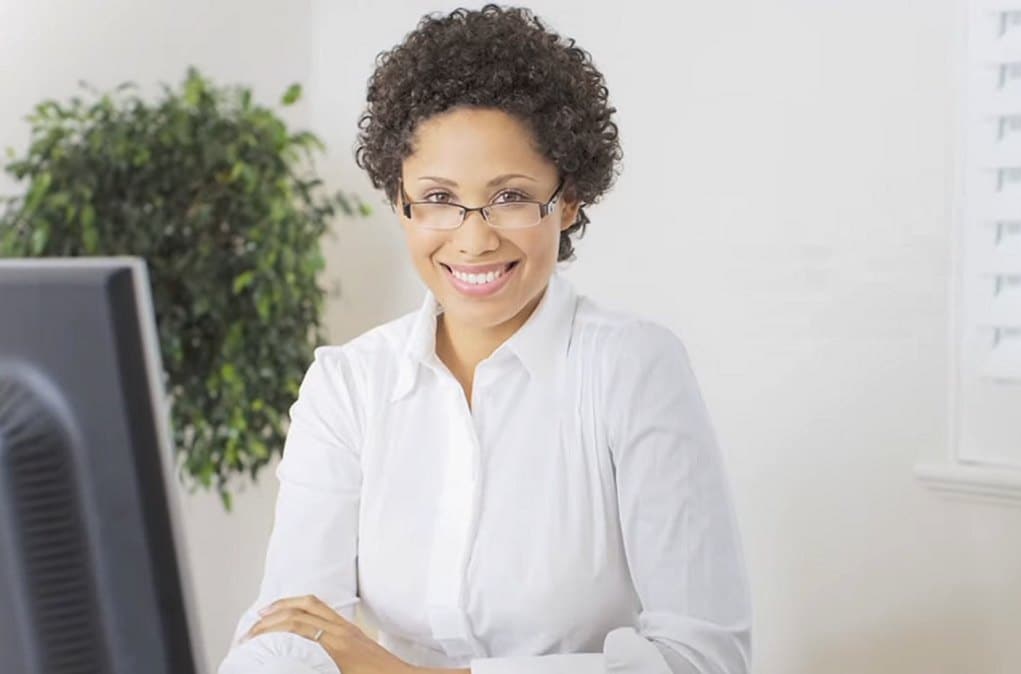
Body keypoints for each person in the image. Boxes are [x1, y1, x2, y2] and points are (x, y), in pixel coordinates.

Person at [218, 5, 751, 673]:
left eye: (510, 197)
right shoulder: (349, 386)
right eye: (438, 196)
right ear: (399, 199)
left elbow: (704, 657)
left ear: (569, 199)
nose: (473, 238)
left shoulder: (632, 369)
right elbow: (289, 627)